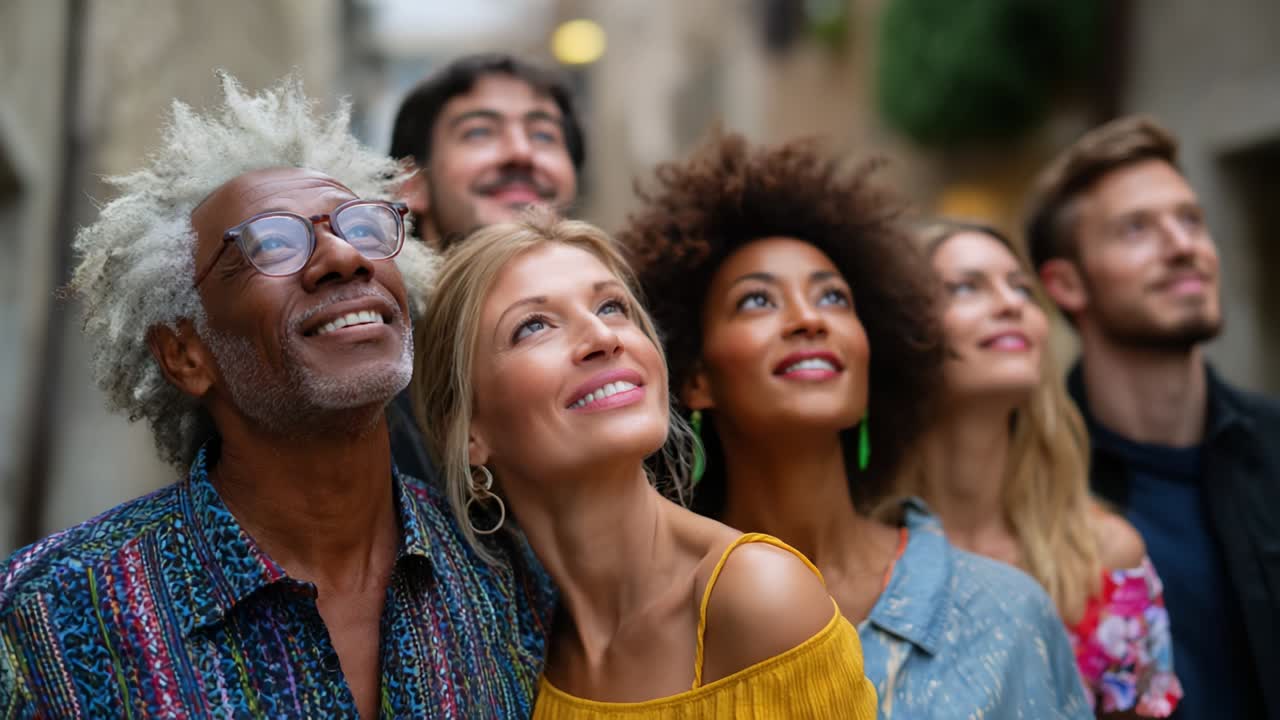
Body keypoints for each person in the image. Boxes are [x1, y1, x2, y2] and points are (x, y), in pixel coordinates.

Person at [0, 74, 553, 719]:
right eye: (272, 243)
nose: (346, 256)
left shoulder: (507, 575)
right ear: (186, 354)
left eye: (367, 227)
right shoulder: (48, 616)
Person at [619, 133, 1090, 719]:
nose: (809, 319)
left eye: (835, 298)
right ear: (694, 378)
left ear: (875, 355)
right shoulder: (648, 628)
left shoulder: (1006, 612)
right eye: (757, 301)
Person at [412, 210, 878, 718]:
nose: (604, 337)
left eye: (612, 307)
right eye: (534, 326)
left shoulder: (757, 596)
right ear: (470, 430)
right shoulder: (495, 652)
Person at [1026, 115, 1280, 719]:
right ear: (1066, 284)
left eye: (1191, 219)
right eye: (1137, 229)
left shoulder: (1273, 445)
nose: (1182, 244)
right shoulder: (1030, 484)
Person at [897, 219, 1182, 716]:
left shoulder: (1104, 556)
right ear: (901, 332)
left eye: (1021, 289)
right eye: (966, 288)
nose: (1011, 305)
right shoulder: (855, 559)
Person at [386, 52, 585, 485]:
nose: (520, 152)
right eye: (479, 132)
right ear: (410, 185)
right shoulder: (379, 372)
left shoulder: (623, 342)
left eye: (544, 135)